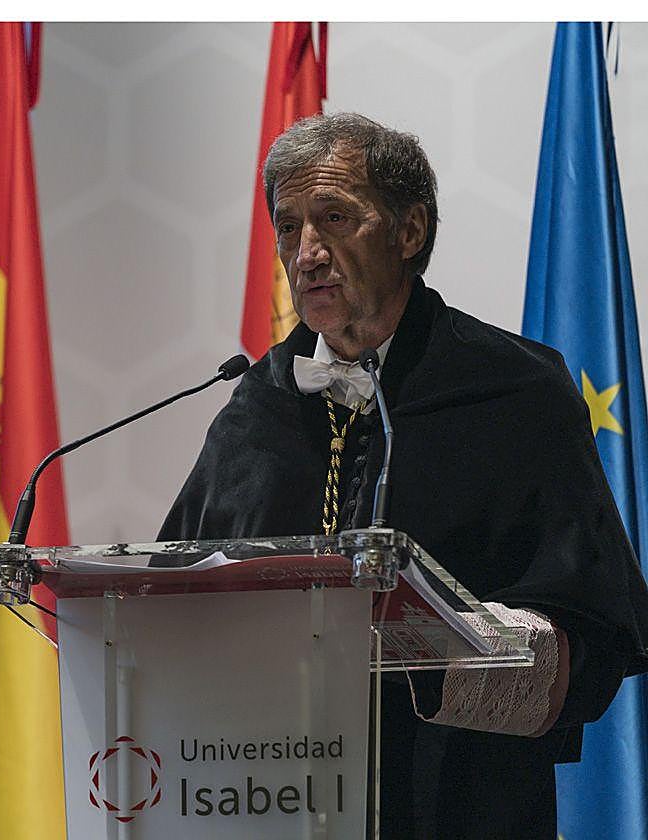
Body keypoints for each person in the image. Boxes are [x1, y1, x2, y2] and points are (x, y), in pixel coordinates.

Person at [157, 112, 648, 838]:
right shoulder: (256, 405)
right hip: (266, 800)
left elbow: (591, 633)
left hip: (459, 806)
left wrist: (433, 652)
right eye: (289, 227)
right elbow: (171, 600)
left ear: (409, 231)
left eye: (334, 218)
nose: (307, 253)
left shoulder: (515, 392)